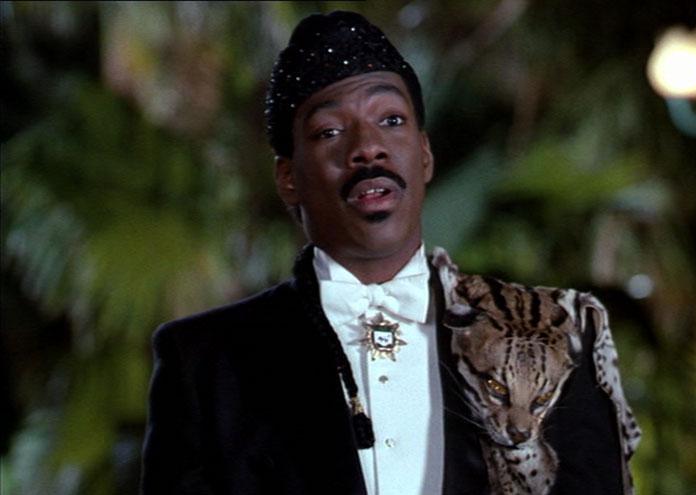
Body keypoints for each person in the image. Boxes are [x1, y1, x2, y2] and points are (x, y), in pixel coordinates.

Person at [141, 11, 635, 494]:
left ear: (425, 154)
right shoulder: (205, 363)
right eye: (330, 131)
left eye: (391, 120)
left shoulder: (560, 333)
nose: (368, 147)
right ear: (288, 177)